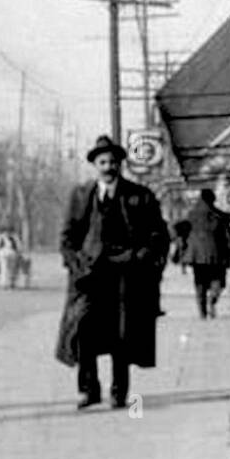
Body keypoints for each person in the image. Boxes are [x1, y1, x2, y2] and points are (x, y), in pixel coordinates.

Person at [55, 134, 169, 410]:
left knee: (122, 332)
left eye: (113, 162)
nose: (108, 167)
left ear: (120, 164)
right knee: (83, 329)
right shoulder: (81, 195)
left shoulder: (140, 196)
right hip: (88, 276)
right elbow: (67, 238)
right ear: (95, 165)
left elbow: (159, 236)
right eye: (102, 162)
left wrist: (141, 257)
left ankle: (119, 391)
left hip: (125, 276)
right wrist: (75, 263)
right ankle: (88, 389)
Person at [184, 188, 230, 318]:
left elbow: (180, 232)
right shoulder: (220, 216)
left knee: (200, 283)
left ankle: (202, 311)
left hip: (197, 256)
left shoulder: (191, 215)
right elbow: (229, 236)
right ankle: (212, 300)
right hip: (216, 255)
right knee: (217, 281)